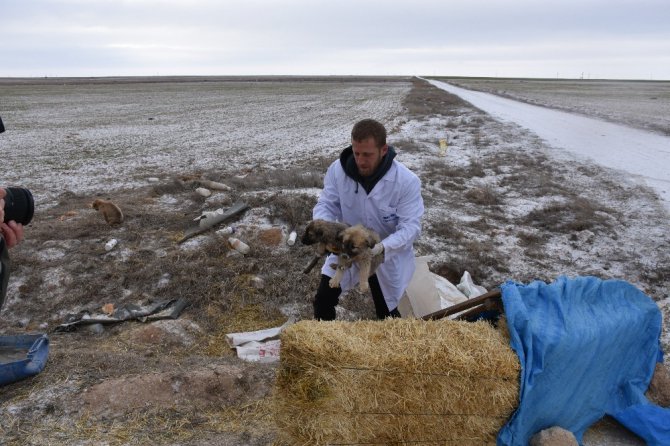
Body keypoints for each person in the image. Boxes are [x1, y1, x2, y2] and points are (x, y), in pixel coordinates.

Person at [312, 118, 424, 320]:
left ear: (383, 150)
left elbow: (410, 228)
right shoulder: (338, 171)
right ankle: (325, 347)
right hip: (348, 248)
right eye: (356, 153)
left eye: (367, 154)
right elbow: (326, 204)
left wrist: (380, 248)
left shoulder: (406, 181)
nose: (361, 161)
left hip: (386, 256)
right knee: (323, 300)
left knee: (389, 314)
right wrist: (325, 230)